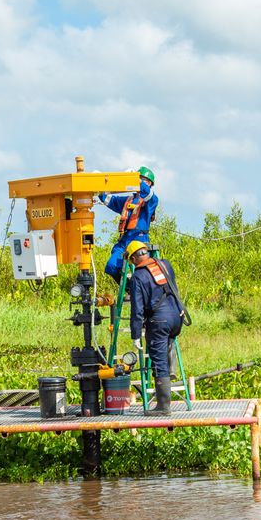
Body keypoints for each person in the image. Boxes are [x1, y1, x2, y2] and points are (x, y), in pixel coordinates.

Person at [125, 238, 185, 414]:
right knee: (168, 342)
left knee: (158, 361)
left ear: (133, 258)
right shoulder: (165, 264)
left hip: (159, 321)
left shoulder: (138, 276)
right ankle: (171, 368)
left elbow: (137, 309)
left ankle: (163, 406)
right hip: (177, 316)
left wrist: (136, 334)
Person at [98, 166, 159, 282]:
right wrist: (100, 183)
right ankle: (130, 288)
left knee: (142, 271)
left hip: (139, 239)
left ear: (150, 183)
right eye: (139, 178)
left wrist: (136, 180)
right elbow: (109, 200)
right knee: (112, 266)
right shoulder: (128, 200)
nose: (140, 181)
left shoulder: (151, 201)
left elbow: (148, 194)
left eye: (143, 179)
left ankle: (140, 288)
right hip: (125, 240)